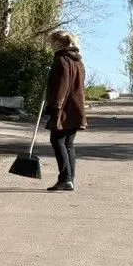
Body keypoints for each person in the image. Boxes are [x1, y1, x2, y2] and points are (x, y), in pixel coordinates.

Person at [44, 29, 88, 192]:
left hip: (63, 108)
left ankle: (65, 179)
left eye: (51, 42)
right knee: (68, 143)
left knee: (57, 140)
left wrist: (55, 107)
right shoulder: (78, 61)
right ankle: (69, 179)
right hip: (76, 108)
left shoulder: (61, 60)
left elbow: (61, 87)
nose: (50, 46)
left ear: (58, 43)